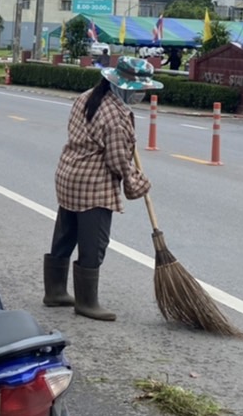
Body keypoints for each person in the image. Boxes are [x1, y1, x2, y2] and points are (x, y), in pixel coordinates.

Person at [44, 56, 161, 321]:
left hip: (69, 175)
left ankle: (55, 291)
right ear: (121, 86)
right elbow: (118, 161)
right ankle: (86, 302)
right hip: (93, 185)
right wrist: (138, 184)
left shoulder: (87, 96)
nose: (140, 94)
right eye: (136, 89)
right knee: (93, 243)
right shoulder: (116, 117)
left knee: (66, 234)